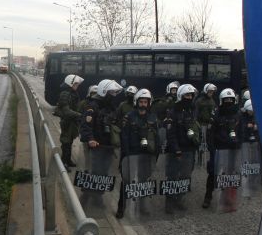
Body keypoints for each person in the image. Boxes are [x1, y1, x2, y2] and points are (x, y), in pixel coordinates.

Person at [79, 79, 123, 208]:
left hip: (108, 147)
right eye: (112, 92)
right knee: (94, 172)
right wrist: (90, 139)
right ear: (104, 92)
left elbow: (116, 124)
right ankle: (86, 197)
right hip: (96, 146)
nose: (114, 95)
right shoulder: (92, 106)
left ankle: (98, 197)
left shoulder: (111, 108)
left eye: (115, 92)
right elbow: (85, 126)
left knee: (104, 173)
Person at [117, 88, 159, 218]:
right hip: (132, 154)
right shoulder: (129, 117)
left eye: (145, 102)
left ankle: (142, 206)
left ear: (149, 103)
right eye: (141, 102)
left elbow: (157, 137)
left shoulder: (153, 117)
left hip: (146, 155)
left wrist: (155, 155)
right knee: (126, 181)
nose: (143, 105)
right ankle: (121, 208)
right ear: (137, 102)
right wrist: (126, 156)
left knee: (143, 181)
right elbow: (124, 137)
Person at [202, 88, 242, 209]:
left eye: (231, 99)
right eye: (226, 100)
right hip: (218, 149)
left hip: (232, 150)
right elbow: (210, 133)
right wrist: (212, 148)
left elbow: (241, 132)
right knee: (213, 173)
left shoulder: (237, 114)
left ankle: (226, 197)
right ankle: (208, 196)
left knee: (229, 174)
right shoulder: (216, 113)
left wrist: (239, 145)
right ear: (221, 100)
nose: (229, 102)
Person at [165, 84, 200, 213]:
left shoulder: (193, 110)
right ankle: (169, 202)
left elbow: (196, 128)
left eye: (191, 95)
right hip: (176, 150)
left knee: (185, 176)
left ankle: (179, 199)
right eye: (187, 95)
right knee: (172, 176)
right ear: (181, 96)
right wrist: (176, 149)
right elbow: (171, 133)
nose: (189, 97)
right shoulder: (173, 112)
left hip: (189, 149)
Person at [55, 74, 84, 169]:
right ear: (70, 84)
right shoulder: (65, 94)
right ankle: (64, 163)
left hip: (72, 121)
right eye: (76, 84)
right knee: (66, 142)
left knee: (70, 141)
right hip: (67, 122)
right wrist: (79, 115)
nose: (77, 86)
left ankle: (68, 160)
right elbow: (66, 111)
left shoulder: (72, 93)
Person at [78, 85, 98, 168]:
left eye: (96, 93)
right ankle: (86, 168)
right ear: (89, 93)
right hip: (84, 129)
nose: (94, 95)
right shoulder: (83, 103)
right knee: (86, 151)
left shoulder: (97, 104)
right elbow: (78, 115)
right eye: (93, 93)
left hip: (94, 131)